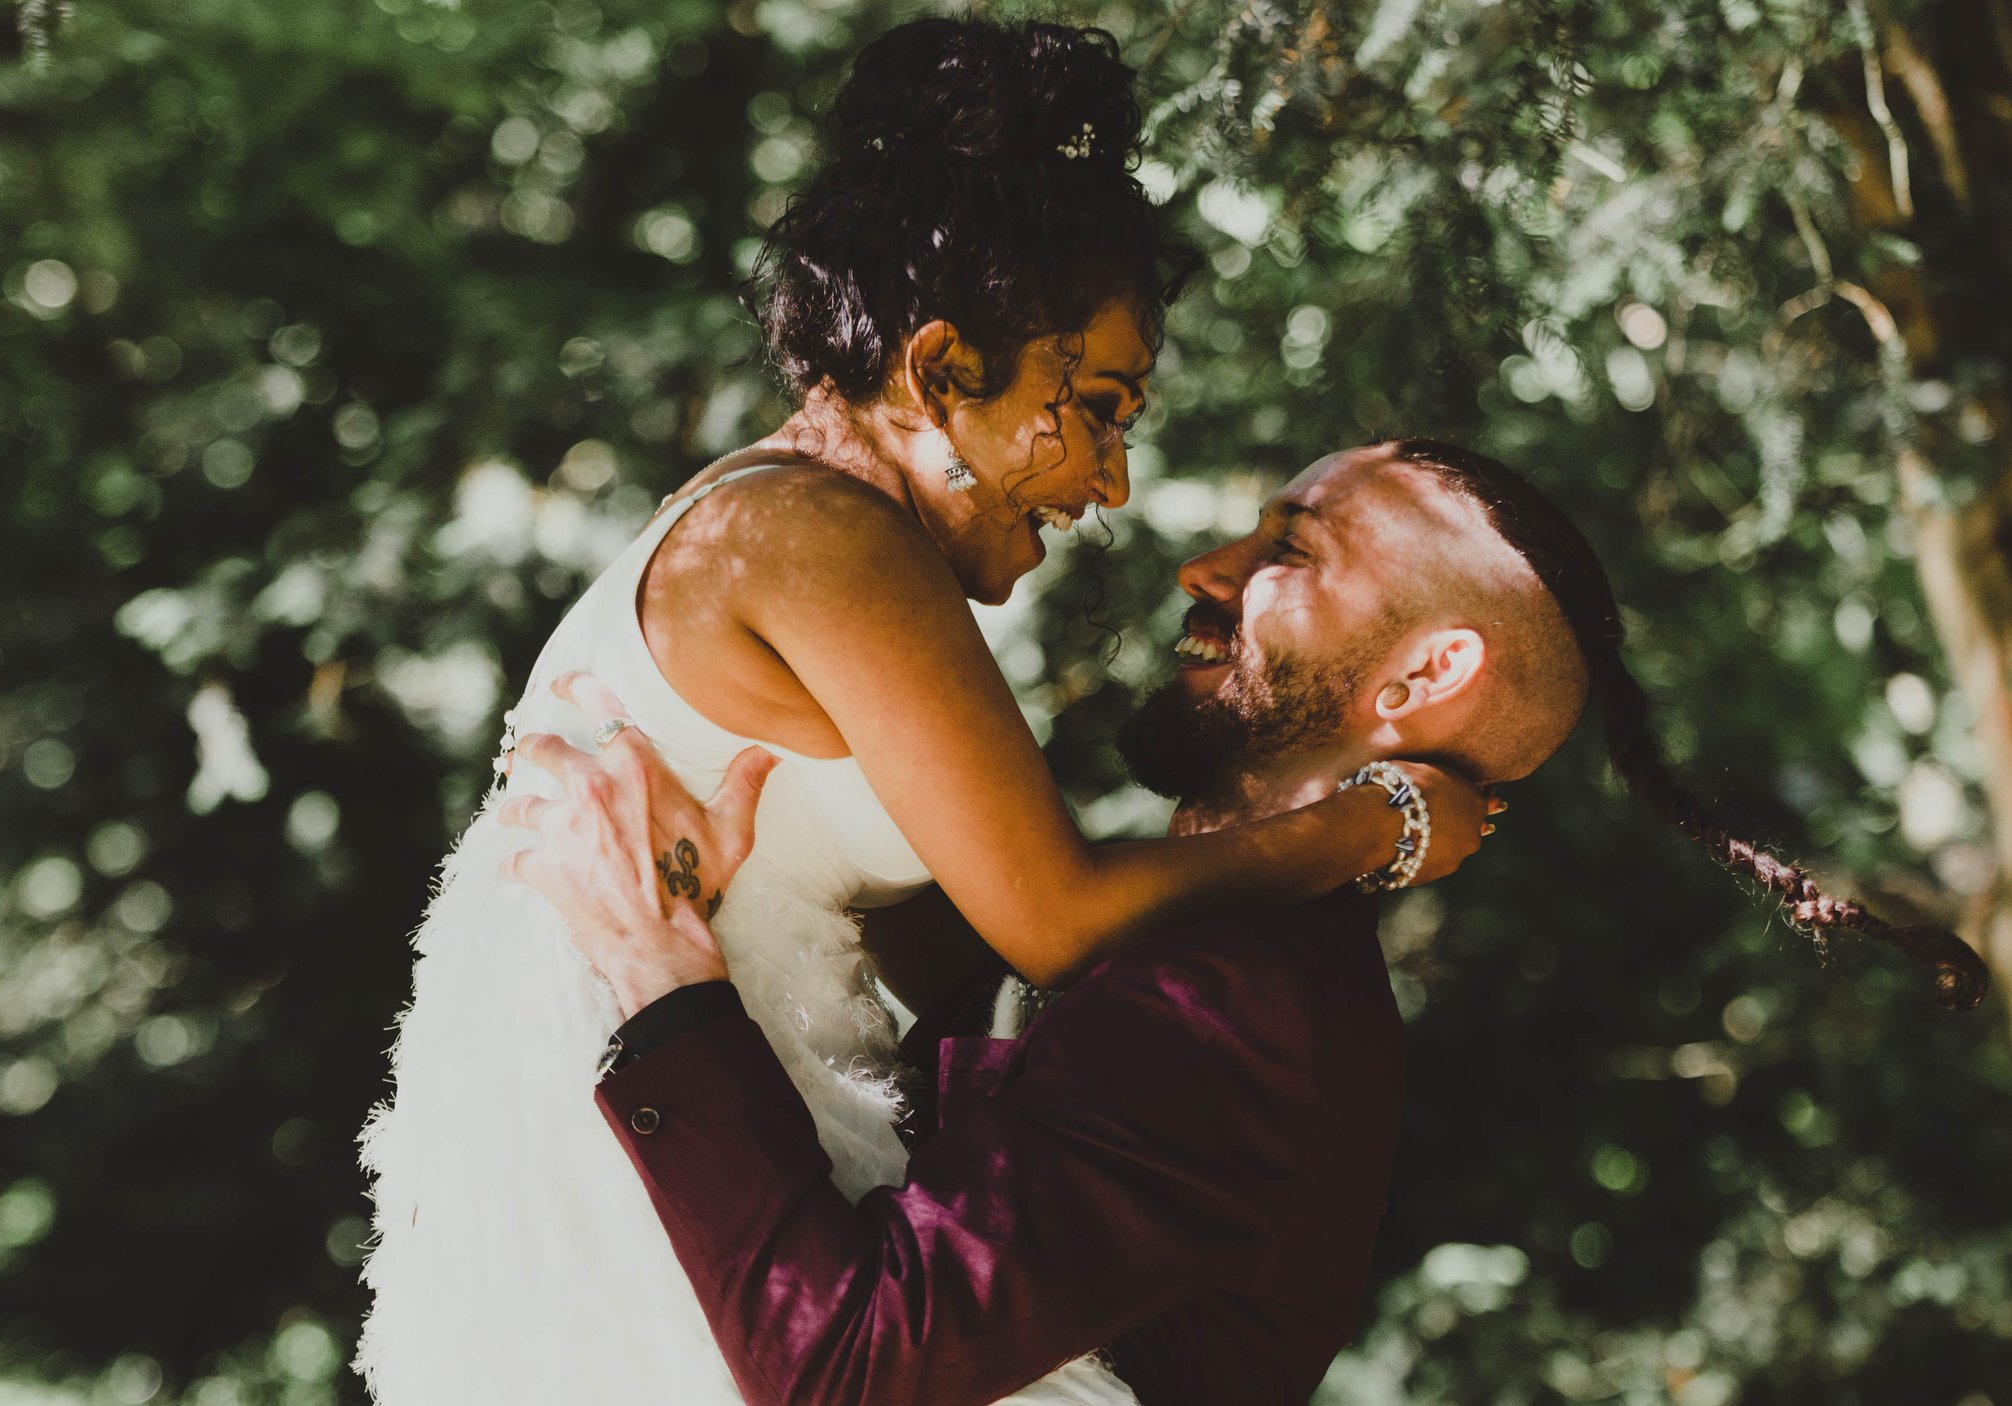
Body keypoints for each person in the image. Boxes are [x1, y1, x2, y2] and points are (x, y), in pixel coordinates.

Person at [352, 20, 1496, 1406]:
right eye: (1094, 406)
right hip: (650, 1166)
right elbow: (1054, 915)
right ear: (944, 369)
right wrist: (1368, 828)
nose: (1113, 480)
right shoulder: (813, 540)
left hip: (664, 1141)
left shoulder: (786, 528)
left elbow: (979, 968)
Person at [502, 439, 1991, 1406]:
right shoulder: (1183, 930)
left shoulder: (1246, 1002)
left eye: (1289, 550)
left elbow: (842, 1358)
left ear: (1422, 677)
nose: (1203, 572)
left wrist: (654, 972)